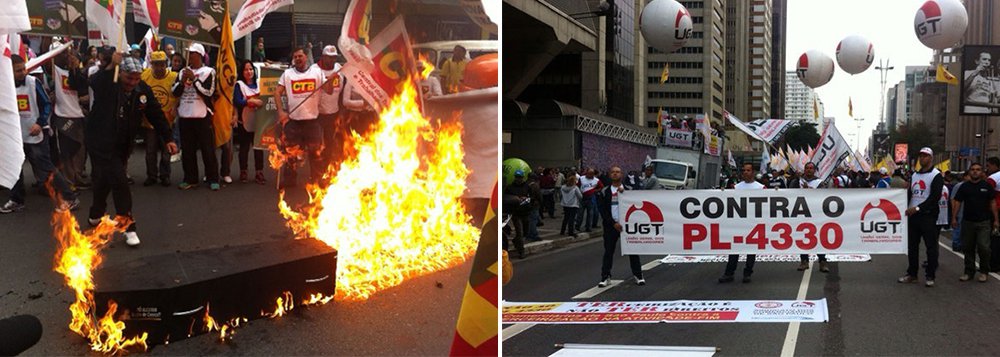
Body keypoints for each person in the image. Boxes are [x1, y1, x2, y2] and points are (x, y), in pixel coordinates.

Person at [83, 53, 177, 246]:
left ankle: (95, 213)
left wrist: (168, 138)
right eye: (129, 78)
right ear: (121, 73)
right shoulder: (110, 84)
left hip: (123, 144)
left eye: (136, 78)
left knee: (103, 179)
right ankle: (128, 226)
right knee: (120, 182)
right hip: (100, 143)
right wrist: (110, 67)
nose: (132, 82)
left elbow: (156, 114)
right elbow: (95, 83)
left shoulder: (143, 91)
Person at [0, 55, 80, 214]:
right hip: (15, 134)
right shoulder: (4, 86)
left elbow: (46, 104)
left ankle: (70, 197)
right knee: (15, 167)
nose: (23, 72)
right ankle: (16, 199)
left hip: (35, 133)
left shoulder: (32, 82)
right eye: (18, 70)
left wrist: (40, 122)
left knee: (46, 169)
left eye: (23, 69)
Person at [275, 47, 334, 188]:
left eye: (300, 56)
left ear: (306, 57)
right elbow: (277, 93)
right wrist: (281, 112)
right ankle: (290, 181)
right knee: (291, 155)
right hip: (294, 122)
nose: (298, 59)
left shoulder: (317, 72)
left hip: (313, 122)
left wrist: (331, 81)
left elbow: (329, 90)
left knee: (316, 154)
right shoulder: (287, 74)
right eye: (295, 57)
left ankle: (317, 180)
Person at [172, 43, 219, 190]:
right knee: (187, 150)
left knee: (207, 149)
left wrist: (194, 79)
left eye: (192, 53)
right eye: (188, 53)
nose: (189, 56)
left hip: (202, 115)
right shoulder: (182, 72)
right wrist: (182, 81)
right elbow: (174, 92)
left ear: (199, 55)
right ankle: (190, 178)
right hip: (185, 115)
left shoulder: (209, 71)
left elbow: (209, 92)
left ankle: (212, 178)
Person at [899, 147, 944, 287]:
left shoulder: (936, 175)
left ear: (931, 158)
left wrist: (918, 208)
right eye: (920, 156)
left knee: (931, 247)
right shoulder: (915, 175)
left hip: (927, 216)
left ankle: (930, 275)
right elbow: (911, 193)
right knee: (912, 247)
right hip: (913, 217)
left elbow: (935, 197)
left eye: (925, 156)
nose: (922, 158)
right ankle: (912, 274)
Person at [51, 47, 90, 189]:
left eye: (72, 56)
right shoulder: (56, 71)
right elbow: (48, 55)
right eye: (66, 55)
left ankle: (77, 176)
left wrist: (75, 69)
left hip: (78, 115)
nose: (69, 57)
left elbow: (82, 89)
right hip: (63, 115)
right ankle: (69, 180)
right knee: (66, 150)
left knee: (80, 148)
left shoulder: (80, 74)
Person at [598, 166, 644, 287]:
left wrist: (626, 194)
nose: (615, 174)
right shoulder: (604, 191)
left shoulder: (629, 190)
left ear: (621, 175)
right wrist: (614, 223)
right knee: (608, 251)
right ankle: (605, 277)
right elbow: (603, 211)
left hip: (627, 226)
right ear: (609, 175)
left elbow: (638, 204)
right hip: (611, 226)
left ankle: (638, 275)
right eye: (613, 172)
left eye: (617, 172)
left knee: (633, 251)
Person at [952, 163, 998, 282]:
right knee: (968, 247)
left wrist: (996, 220)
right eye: (972, 170)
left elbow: (993, 202)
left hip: (984, 222)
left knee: (984, 247)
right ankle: (969, 272)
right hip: (968, 222)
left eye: (978, 170)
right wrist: (954, 218)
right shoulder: (964, 187)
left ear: (982, 172)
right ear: (969, 172)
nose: (975, 172)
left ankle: (984, 271)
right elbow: (957, 202)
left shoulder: (987, 186)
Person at [719, 163, 763, 283]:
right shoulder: (736, 187)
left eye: (748, 170)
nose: (745, 172)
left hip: (754, 224)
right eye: (743, 170)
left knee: (751, 251)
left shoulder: (761, 188)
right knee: (734, 249)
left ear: (753, 172)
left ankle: (747, 273)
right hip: (738, 225)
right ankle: (729, 273)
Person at [140, 51, 177, 187]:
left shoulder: (173, 77)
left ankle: (165, 175)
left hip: (167, 120)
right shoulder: (145, 76)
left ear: (166, 64)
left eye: (162, 64)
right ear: (151, 64)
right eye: (156, 65)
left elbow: (179, 94)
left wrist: (175, 107)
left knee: (166, 149)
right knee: (150, 150)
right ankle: (151, 175)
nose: (159, 68)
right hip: (149, 121)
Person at [310, 45, 345, 172]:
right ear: (323, 57)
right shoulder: (314, 70)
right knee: (316, 144)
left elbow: (341, 91)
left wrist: (341, 112)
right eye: (329, 58)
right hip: (318, 114)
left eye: (334, 58)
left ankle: (326, 169)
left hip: (333, 113)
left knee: (330, 144)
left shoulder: (339, 69)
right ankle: (315, 171)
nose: (331, 60)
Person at [233, 59, 266, 184]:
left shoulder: (259, 83)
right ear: (242, 71)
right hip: (244, 121)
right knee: (244, 148)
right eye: (246, 69)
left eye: (251, 69)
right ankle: (243, 172)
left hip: (259, 121)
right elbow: (237, 101)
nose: (249, 72)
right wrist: (249, 101)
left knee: (259, 148)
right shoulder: (239, 85)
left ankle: (259, 172)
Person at [505, 170, 532, 259]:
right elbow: (505, 199)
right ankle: (521, 251)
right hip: (516, 213)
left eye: (520, 177)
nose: (518, 179)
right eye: (517, 177)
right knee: (519, 232)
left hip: (526, 212)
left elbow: (532, 197)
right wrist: (515, 199)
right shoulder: (510, 188)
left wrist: (527, 199)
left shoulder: (527, 186)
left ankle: (516, 241)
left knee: (525, 232)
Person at [576, 168, 603, 233]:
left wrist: (595, 191)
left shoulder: (596, 180)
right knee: (580, 214)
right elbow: (577, 186)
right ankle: (577, 227)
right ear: (586, 173)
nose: (591, 175)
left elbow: (601, 186)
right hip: (582, 198)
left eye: (592, 174)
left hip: (590, 198)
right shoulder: (581, 178)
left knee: (590, 214)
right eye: (589, 174)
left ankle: (588, 227)